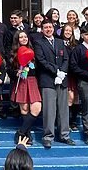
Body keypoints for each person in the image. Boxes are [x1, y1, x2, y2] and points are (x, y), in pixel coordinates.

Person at [34, 19, 74, 148]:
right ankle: (48, 136)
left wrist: (62, 72)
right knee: (49, 110)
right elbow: (41, 60)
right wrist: (56, 71)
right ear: (42, 29)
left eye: (50, 27)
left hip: (62, 80)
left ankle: (64, 135)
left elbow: (66, 59)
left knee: (63, 109)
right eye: (45, 27)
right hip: (48, 80)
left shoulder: (60, 42)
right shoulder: (39, 43)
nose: (48, 29)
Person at [8, 31, 41, 145]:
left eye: (25, 36)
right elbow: (9, 69)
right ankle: (27, 134)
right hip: (20, 81)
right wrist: (16, 72)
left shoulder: (34, 51)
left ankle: (21, 132)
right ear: (17, 39)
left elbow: (38, 67)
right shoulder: (13, 53)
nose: (23, 38)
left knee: (36, 108)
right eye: (21, 37)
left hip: (32, 80)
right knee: (24, 109)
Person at [61, 24, 80, 131]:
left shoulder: (76, 44)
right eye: (66, 30)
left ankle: (74, 121)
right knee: (70, 98)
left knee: (76, 98)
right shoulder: (59, 43)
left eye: (70, 31)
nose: (68, 32)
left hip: (75, 74)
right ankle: (66, 122)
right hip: (65, 74)